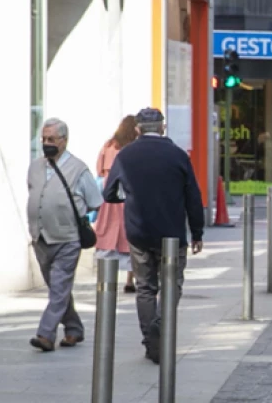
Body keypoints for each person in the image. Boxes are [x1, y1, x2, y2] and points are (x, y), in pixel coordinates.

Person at [103, 108, 205, 364]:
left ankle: (152, 342)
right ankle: (160, 323)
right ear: (163, 128)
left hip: (138, 232)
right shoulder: (178, 155)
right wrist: (197, 232)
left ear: (137, 130)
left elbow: (109, 193)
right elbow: (193, 196)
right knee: (172, 285)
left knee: (145, 288)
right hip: (171, 234)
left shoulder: (126, 155)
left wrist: (129, 196)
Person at [27, 118, 103, 352]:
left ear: (64, 140)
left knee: (59, 287)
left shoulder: (79, 169)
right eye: (44, 139)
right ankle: (74, 329)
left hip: (68, 238)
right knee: (58, 289)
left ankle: (45, 334)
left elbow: (95, 202)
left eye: (51, 139)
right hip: (41, 238)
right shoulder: (35, 166)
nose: (46, 143)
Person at [95, 115, 137, 293]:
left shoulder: (108, 146)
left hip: (109, 198)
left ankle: (105, 279)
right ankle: (130, 280)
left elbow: (98, 169)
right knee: (130, 238)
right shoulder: (132, 148)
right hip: (127, 196)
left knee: (107, 236)